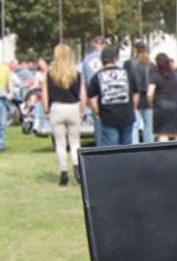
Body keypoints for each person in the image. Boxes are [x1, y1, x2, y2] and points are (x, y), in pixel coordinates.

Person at [44, 43, 84, 185]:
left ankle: (63, 172)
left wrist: (46, 110)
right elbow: (82, 94)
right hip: (72, 107)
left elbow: (45, 94)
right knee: (74, 142)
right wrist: (82, 110)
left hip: (57, 107)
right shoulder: (76, 74)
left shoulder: (50, 74)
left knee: (60, 144)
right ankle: (77, 168)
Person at [86, 45, 136, 147]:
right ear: (115, 59)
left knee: (111, 147)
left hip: (108, 117)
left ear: (102, 60)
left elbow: (90, 97)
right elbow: (136, 92)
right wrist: (133, 107)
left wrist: (97, 111)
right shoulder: (127, 74)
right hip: (127, 115)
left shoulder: (97, 76)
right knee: (127, 147)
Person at [147, 52, 177, 142]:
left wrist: (151, 104)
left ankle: (164, 155)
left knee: (163, 134)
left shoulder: (155, 76)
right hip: (174, 106)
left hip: (160, 106)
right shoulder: (175, 75)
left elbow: (149, 94)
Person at [125, 42, 153, 144]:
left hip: (134, 96)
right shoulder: (151, 64)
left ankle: (134, 145)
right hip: (148, 98)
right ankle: (149, 145)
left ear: (135, 50)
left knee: (134, 125)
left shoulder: (128, 64)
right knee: (148, 125)